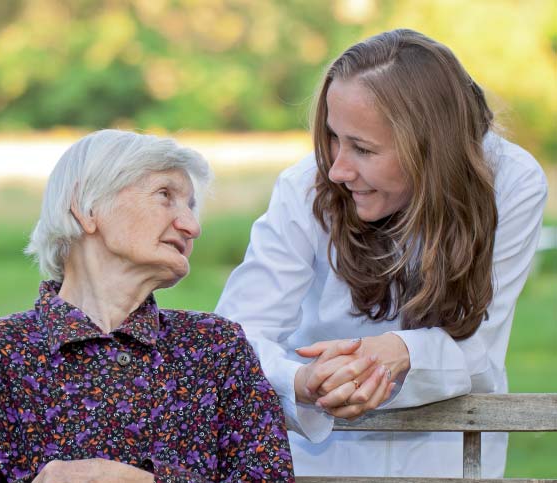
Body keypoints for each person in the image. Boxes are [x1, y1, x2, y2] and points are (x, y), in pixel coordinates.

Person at [216, 29, 547, 478]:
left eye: (364, 148)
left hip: (445, 459)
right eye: (334, 137)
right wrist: (301, 382)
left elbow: (479, 344)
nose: (337, 168)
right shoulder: (304, 188)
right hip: (318, 461)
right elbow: (236, 337)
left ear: (432, 148)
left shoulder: (509, 183)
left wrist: (400, 350)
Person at [0, 130, 295, 483]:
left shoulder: (216, 346)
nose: (191, 225)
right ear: (86, 207)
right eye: (165, 195)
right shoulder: (0, 350)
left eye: (191, 206)